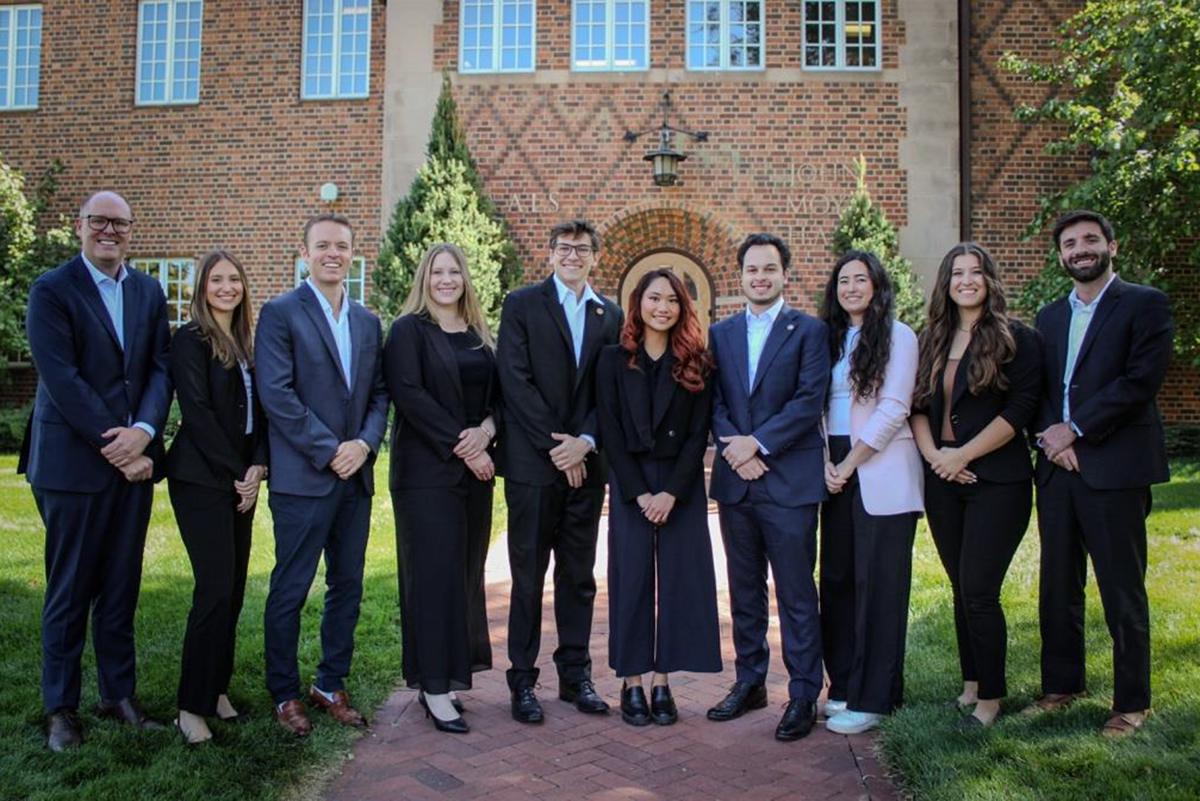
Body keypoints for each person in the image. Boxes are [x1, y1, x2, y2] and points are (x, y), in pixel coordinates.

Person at [18, 190, 172, 751]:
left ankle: (117, 694)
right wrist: (121, 443)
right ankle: (61, 707)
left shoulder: (148, 290)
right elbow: (62, 379)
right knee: (70, 588)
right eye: (100, 222)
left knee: (120, 585)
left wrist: (146, 434)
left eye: (121, 223)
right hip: (72, 465)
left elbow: (160, 368)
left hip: (133, 464)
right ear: (81, 226)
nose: (110, 231)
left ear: (131, 230)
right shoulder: (52, 290)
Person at [1026, 210, 1172, 738]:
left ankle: (1132, 702)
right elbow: (1038, 388)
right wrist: (1052, 434)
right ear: (1061, 255)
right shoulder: (1049, 317)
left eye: (1090, 239)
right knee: (1058, 584)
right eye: (1070, 243)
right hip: (1058, 469)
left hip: (1114, 467)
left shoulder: (1144, 304)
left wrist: (1077, 430)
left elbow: (1140, 381)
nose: (1080, 249)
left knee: (1121, 588)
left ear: (1112, 245)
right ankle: (1061, 686)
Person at [255, 213, 388, 737]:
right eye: (323, 246)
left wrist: (365, 444)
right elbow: (277, 395)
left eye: (343, 246)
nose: (333, 253)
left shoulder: (367, 322)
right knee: (290, 588)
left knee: (347, 585)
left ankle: (330, 682)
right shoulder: (281, 312)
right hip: (304, 478)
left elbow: (380, 395)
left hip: (354, 478)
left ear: (353, 253)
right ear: (305, 251)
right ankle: (284, 692)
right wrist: (330, 448)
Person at [495, 219, 623, 723]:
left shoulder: (608, 314)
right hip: (533, 465)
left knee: (579, 577)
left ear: (596, 257)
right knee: (527, 577)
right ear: (550, 254)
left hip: (586, 467)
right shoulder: (522, 305)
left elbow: (608, 389)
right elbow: (514, 380)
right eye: (563, 248)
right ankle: (522, 682)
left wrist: (585, 443)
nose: (572, 255)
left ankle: (575, 677)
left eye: (582, 248)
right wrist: (558, 446)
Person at [909, 242, 1041, 727]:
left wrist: (962, 455)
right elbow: (917, 408)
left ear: (989, 280)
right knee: (960, 589)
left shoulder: (1016, 338)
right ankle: (970, 686)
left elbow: (1019, 411)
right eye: (957, 273)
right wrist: (937, 459)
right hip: (943, 478)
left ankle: (992, 699)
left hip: (997, 480)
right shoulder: (931, 339)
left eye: (975, 272)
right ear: (945, 283)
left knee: (981, 589)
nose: (966, 281)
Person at [706, 233, 830, 742]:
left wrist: (757, 445)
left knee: (797, 593)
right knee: (744, 590)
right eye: (752, 270)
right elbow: (711, 399)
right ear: (740, 277)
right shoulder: (721, 332)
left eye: (769, 269)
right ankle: (750, 681)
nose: (760, 277)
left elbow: (809, 400)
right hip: (737, 484)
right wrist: (736, 447)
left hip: (790, 483)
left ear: (785, 274)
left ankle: (803, 693)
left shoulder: (809, 331)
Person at [596, 269, 722, 727]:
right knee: (630, 581)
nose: (662, 307)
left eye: (672, 300)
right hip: (630, 484)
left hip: (680, 485)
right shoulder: (612, 359)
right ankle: (632, 682)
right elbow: (609, 429)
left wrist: (670, 492)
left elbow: (698, 435)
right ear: (638, 303)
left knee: (678, 582)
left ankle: (663, 681)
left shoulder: (696, 362)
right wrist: (641, 492)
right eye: (654, 298)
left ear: (683, 307)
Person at [383, 243, 500, 734]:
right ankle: (433, 687)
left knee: (463, 575)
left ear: (465, 279)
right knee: (431, 577)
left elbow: (499, 397)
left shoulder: (477, 335)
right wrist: (465, 446)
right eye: (438, 272)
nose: (446, 280)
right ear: (424, 279)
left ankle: (451, 676)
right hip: (426, 475)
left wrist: (488, 432)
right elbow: (409, 395)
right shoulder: (409, 330)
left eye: (454, 271)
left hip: (473, 476)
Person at [165, 250, 268, 744]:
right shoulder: (189, 340)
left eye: (234, 280)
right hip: (201, 480)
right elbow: (199, 416)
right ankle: (190, 706)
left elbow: (263, 413)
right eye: (216, 280)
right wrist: (238, 473)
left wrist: (258, 467)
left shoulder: (248, 340)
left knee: (233, 589)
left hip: (241, 479)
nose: (227, 287)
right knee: (213, 589)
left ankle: (216, 688)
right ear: (202, 287)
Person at [817, 251, 923, 735]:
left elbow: (896, 406)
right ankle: (842, 686)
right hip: (833, 466)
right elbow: (816, 406)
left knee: (879, 586)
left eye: (861, 279)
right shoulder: (830, 339)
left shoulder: (899, 336)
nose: (851, 287)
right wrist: (826, 462)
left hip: (879, 466)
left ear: (878, 287)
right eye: (843, 280)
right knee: (838, 579)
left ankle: (876, 697)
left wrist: (849, 462)